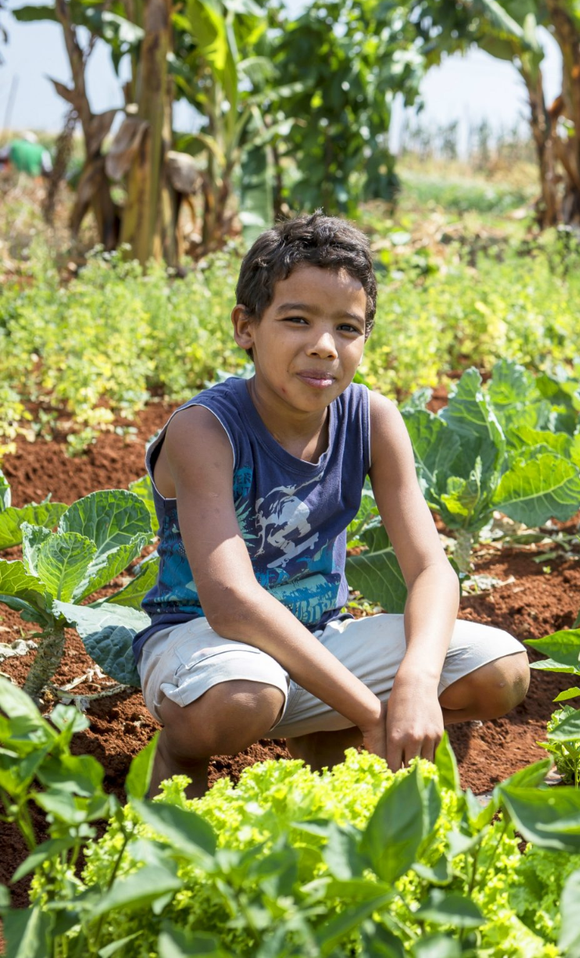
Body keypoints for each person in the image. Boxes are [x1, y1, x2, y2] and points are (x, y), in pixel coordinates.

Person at [137, 214, 529, 797]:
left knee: (500, 669)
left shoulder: (371, 420)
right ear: (246, 326)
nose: (324, 346)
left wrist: (418, 681)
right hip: (206, 648)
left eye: (347, 327)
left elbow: (430, 570)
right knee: (241, 698)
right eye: (297, 320)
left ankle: (323, 742)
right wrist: (373, 713)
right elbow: (232, 604)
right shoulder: (206, 429)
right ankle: (175, 759)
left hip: (320, 637)